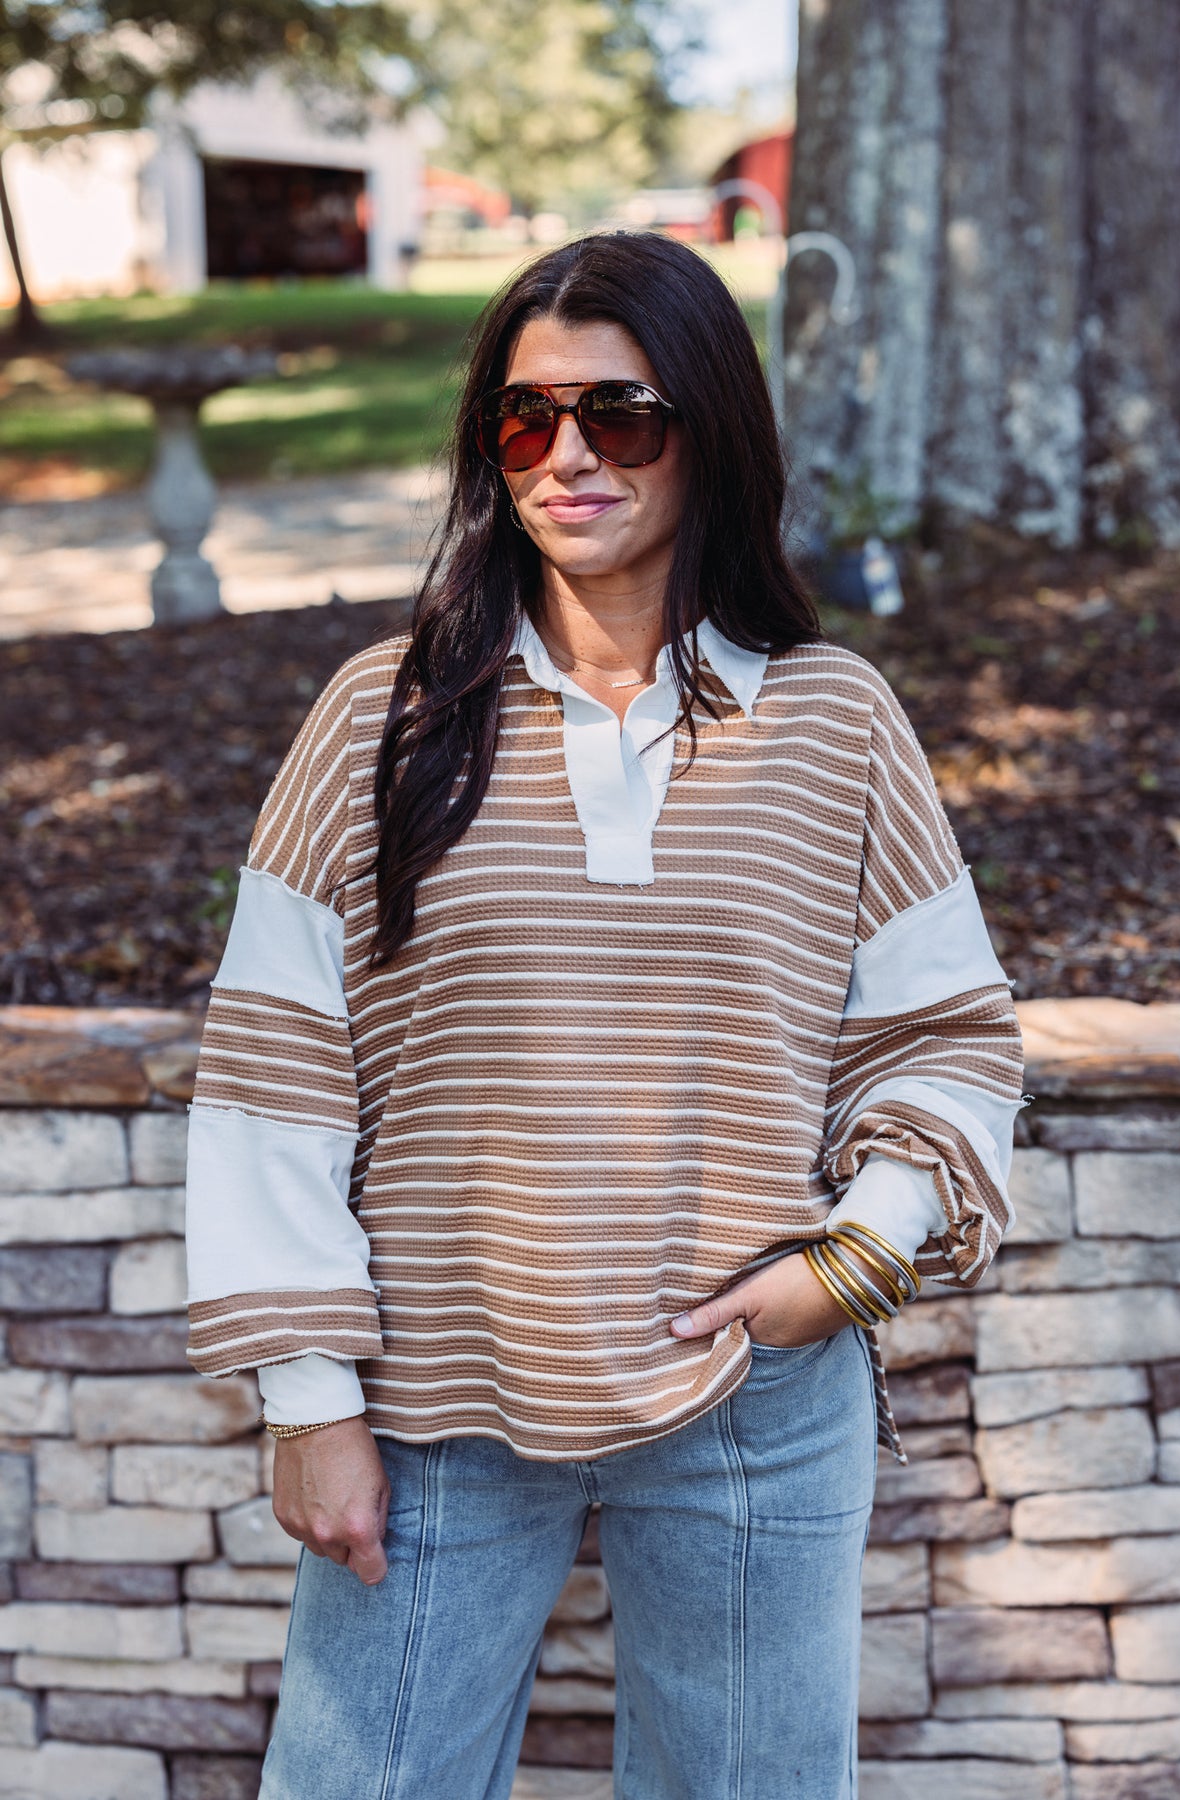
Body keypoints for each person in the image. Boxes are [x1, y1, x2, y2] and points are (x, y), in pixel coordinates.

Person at [184, 231, 1024, 1800]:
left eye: (618, 414)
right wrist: (308, 1400)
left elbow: (949, 1035)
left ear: (710, 432)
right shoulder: (381, 716)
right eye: (525, 419)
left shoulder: (833, 719)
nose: (567, 456)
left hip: (751, 1392)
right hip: (433, 1391)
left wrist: (853, 1257)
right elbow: (271, 1075)